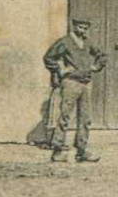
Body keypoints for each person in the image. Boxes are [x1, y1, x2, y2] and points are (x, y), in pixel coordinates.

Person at [43, 16, 108, 164]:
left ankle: (82, 150)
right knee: (65, 117)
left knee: (85, 119)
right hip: (71, 83)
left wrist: (95, 67)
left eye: (86, 28)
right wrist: (61, 70)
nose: (83, 30)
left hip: (86, 83)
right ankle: (57, 151)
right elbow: (48, 58)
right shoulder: (64, 42)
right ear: (74, 26)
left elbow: (102, 55)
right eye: (80, 27)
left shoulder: (88, 42)